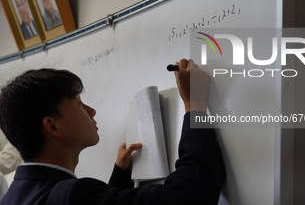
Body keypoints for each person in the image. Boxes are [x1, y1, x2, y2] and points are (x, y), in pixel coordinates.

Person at [0, 58, 226, 204]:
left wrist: (120, 175)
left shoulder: (14, 195)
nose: (92, 111)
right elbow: (189, 196)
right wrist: (194, 106)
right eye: (79, 104)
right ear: (53, 126)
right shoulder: (70, 196)